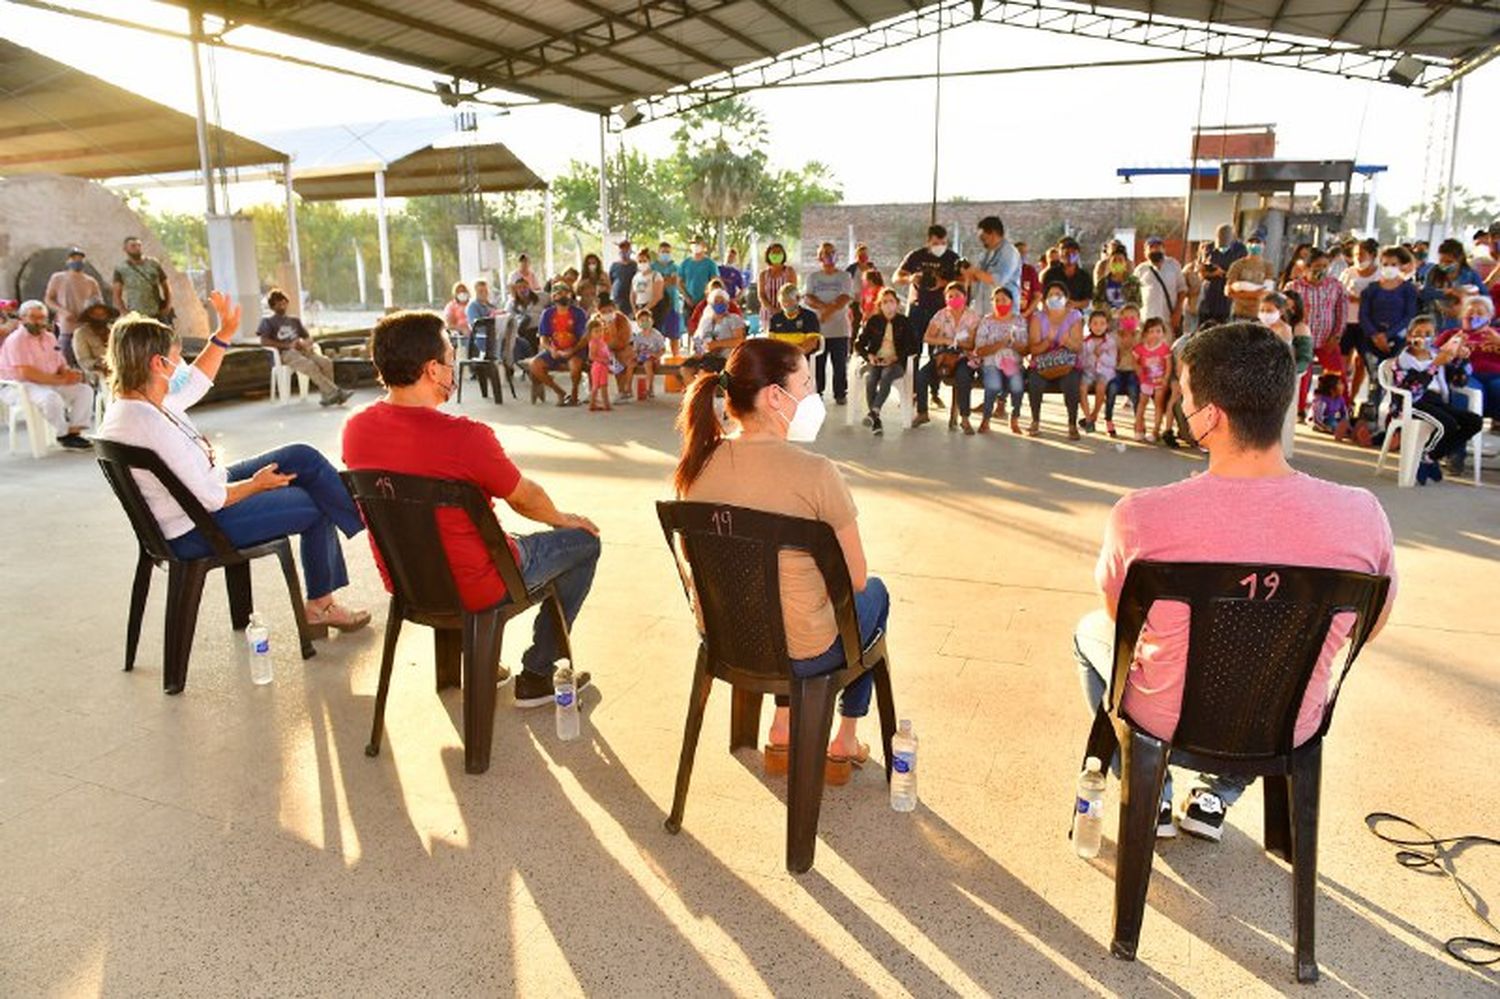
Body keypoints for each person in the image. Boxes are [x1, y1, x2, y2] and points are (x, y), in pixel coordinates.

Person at [1073, 322, 1396, 840]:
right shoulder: (1363, 516)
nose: (1179, 406)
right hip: (1288, 722)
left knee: (1087, 632)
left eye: (1183, 395)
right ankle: (1218, 794)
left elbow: (1121, 620)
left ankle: (1150, 787)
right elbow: (1369, 627)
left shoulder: (1141, 516)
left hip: (1167, 720)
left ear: (1211, 416)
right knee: (1269, 670)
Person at [343, 310, 600, 707]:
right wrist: (563, 520)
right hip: (478, 583)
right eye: (449, 359)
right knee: (583, 543)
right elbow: (523, 496)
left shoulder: (356, 429)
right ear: (432, 370)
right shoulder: (466, 438)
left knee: (470, 537)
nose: (452, 367)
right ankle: (538, 672)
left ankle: (472, 661)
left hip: (408, 581)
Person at [673, 338, 889, 783]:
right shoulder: (815, 473)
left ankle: (783, 726)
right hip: (803, 651)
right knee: (875, 596)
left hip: (724, 637)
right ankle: (845, 738)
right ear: (776, 396)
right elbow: (857, 578)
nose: (813, 396)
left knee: (788, 599)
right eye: (807, 383)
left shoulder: (697, 463)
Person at [100, 293, 369, 633]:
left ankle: (362, 515)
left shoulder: (135, 402)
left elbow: (195, 382)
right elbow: (212, 499)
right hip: (198, 525)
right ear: (157, 364)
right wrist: (258, 484)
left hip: (194, 500)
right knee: (315, 503)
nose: (181, 361)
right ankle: (322, 603)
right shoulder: (151, 426)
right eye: (175, 355)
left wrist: (224, 332)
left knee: (301, 456)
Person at [1395, 316, 1482, 480]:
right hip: (1414, 402)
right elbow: (1412, 389)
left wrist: (1462, 359)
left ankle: (1430, 457)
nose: (1423, 338)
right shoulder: (1404, 359)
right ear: (1409, 337)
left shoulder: (1436, 353)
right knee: (1447, 424)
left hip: (1437, 400)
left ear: (1435, 337)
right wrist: (1434, 365)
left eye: (1428, 333)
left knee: (1473, 421)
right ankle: (1426, 458)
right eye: (1418, 333)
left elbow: (1459, 379)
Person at [0, 300, 94, 449]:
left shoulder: (49, 337)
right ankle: (63, 434)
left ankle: (74, 433)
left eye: (42, 317)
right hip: (20, 386)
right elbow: (25, 372)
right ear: (22, 318)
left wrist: (68, 373)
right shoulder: (16, 340)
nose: (39, 321)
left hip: (49, 382)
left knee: (84, 391)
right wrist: (61, 380)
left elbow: (60, 362)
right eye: (33, 317)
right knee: (51, 398)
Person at [896, 225, 964, 405]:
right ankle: (911, 393)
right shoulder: (915, 256)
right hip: (917, 309)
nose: (940, 246)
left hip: (940, 311)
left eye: (943, 242)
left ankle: (934, 392)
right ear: (928, 241)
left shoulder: (952, 258)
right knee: (913, 352)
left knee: (938, 353)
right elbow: (897, 277)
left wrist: (943, 282)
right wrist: (911, 278)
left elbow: (963, 281)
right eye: (935, 243)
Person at [256, 289, 351, 407]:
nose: (282, 305)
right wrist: (288, 345)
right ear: (273, 306)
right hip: (286, 354)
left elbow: (308, 337)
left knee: (326, 362)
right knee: (310, 365)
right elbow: (264, 342)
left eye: (284, 302)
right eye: (278, 303)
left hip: (302, 351)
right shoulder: (268, 322)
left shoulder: (294, 320)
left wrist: (305, 343)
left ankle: (327, 397)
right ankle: (335, 392)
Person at [912, 283, 980, 431]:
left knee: (963, 377)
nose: (954, 299)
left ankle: (965, 418)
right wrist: (945, 341)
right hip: (943, 356)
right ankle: (922, 412)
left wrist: (959, 343)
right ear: (945, 299)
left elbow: (973, 343)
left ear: (965, 297)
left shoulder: (972, 317)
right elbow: (927, 337)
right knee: (922, 375)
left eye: (957, 296)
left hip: (963, 357)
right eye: (950, 296)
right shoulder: (941, 315)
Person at [1290, 248, 1348, 416]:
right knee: (1301, 375)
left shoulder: (1336, 286)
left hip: (1327, 339)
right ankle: (1298, 409)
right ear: (1307, 267)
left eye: (1325, 265)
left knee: (1338, 374)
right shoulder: (1294, 286)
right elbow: (1288, 313)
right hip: (1302, 340)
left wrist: (1336, 335)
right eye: (1317, 265)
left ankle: (1343, 409)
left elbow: (1341, 312)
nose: (1321, 269)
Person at [854, 288, 919, 436]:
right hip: (877, 360)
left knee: (887, 375)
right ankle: (876, 421)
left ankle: (874, 412)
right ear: (880, 305)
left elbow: (913, 346)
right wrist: (869, 356)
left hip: (896, 362)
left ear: (897, 304)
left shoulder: (904, 322)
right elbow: (859, 344)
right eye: (884, 302)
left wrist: (895, 358)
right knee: (870, 379)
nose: (888, 305)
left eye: (891, 301)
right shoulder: (874, 321)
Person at [1024, 282, 1084, 438]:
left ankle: (1072, 424)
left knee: (1071, 383)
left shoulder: (1074, 316)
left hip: (1068, 363)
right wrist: (1048, 341)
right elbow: (1034, 349)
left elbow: (1078, 347)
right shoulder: (1038, 317)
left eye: (1058, 295)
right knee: (1035, 382)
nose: (1054, 298)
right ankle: (1035, 420)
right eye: (1050, 295)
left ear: (1066, 298)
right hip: (1043, 363)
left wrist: (1067, 342)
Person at [804, 241, 854, 404]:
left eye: (831, 252)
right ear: (819, 257)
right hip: (819, 330)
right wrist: (824, 308)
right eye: (825, 253)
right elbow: (809, 297)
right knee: (818, 364)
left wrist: (828, 311)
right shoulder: (813, 277)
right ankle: (817, 393)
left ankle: (840, 393)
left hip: (840, 329)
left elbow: (844, 297)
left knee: (840, 364)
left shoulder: (845, 276)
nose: (828, 256)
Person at [1437, 295, 1500, 420]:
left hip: (1496, 375)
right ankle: (1466, 425)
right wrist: (1450, 348)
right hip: (1466, 375)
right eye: (1470, 312)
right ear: (1462, 316)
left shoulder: (1497, 333)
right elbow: (1431, 357)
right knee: (1470, 391)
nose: (1474, 316)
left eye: (1480, 313)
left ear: (1489, 317)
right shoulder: (1451, 334)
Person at [529, 283, 588, 405]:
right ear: (553, 297)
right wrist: (551, 350)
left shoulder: (579, 313)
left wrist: (572, 350)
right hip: (555, 349)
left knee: (575, 366)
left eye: (567, 293)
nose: (564, 296)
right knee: (534, 365)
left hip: (575, 350)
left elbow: (584, 338)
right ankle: (560, 392)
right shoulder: (547, 313)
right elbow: (543, 339)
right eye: (560, 294)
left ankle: (574, 395)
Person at [1338, 237, 1381, 400]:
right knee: (1341, 362)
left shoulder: (1379, 275)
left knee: (1361, 363)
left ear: (1372, 255)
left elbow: (1380, 298)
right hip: (1347, 321)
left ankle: (1352, 398)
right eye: (1356, 254)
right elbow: (1338, 292)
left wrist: (1361, 300)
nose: (1359, 258)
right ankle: (1340, 395)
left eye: (1362, 254)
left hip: (1367, 324)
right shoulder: (1348, 273)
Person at [44, 247, 102, 365]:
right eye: (74, 258)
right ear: (68, 261)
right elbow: (49, 299)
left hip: (86, 329)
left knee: (87, 364)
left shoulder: (91, 281)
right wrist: (63, 312)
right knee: (65, 362)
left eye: (80, 258)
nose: (77, 261)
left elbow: (98, 303)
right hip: (66, 328)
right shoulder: (58, 278)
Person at [1419, 238, 1485, 333]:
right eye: (1441, 261)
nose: (1444, 265)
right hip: (1436, 322)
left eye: (1449, 261)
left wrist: (1465, 301)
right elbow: (1426, 294)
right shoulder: (1433, 272)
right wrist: (1448, 293)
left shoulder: (1471, 275)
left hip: (1462, 325)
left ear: (1460, 258)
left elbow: (1484, 297)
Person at [688, 287, 749, 375]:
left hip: (724, 358)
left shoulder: (734, 319)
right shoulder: (706, 321)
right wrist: (698, 352)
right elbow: (697, 338)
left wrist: (717, 344)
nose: (719, 304)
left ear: (727, 304)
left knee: (704, 371)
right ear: (711, 304)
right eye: (716, 302)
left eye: (722, 302)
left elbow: (739, 341)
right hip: (706, 356)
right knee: (686, 368)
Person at [964, 216, 1022, 309]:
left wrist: (974, 271)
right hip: (984, 309)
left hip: (1005, 311)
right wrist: (968, 272)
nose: (983, 243)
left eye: (984, 239)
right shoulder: (987, 253)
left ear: (993, 234)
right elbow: (980, 277)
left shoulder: (1009, 252)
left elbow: (997, 280)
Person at [112, 236, 172, 322]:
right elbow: (116, 294)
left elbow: (166, 286)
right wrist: (124, 312)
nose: (137, 248)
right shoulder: (121, 269)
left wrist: (167, 306)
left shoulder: (154, 264)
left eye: (139, 245)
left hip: (157, 312)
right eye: (133, 246)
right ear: (125, 249)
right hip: (136, 315)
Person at [1135, 236, 1186, 335]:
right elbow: (1132, 295)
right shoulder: (1140, 270)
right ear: (1145, 252)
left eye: (1158, 247)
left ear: (1164, 249)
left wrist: (1178, 311)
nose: (1155, 250)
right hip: (1147, 322)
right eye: (1151, 247)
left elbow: (1182, 289)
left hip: (1168, 320)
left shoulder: (1174, 265)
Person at [1105, 304, 1142, 439]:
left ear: (1138, 319)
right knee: (1112, 389)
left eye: (1132, 317)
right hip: (1117, 370)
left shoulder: (1140, 336)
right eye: (1125, 317)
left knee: (1134, 390)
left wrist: (1133, 347)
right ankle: (1108, 420)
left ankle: (1138, 423)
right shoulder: (1115, 336)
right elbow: (1110, 356)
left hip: (1133, 371)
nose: (1129, 320)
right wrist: (1121, 349)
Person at [1197, 224, 1245, 327]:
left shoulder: (1240, 249)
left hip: (1227, 296)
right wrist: (1213, 273)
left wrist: (1224, 273)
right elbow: (1201, 271)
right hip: (1209, 294)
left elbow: (1241, 273)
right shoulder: (1208, 248)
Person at [1133, 317, 1172, 442]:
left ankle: (1155, 431)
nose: (1155, 334)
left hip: (1160, 381)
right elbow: (1134, 360)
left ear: (1163, 333)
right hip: (1145, 381)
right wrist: (1138, 368)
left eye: (1158, 331)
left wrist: (1166, 378)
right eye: (1151, 331)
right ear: (1145, 334)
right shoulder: (1141, 348)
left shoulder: (1164, 349)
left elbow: (1169, 365)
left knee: (1158, 405)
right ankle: (1139, 428)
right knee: (1141, 404)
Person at [1078, 310, 1118, 434]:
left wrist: (1101, 356)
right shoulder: (1085, 342)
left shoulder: (1110, 341)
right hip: (1089, 371)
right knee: (1082, 387)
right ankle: (1088, 418)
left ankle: (1094, 415)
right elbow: (1081, 361)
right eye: (1095, 323)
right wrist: (1090, 354)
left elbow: (1113, 362)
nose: (1098, 327)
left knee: (1101, 387)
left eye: (1102, 323)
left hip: (1105, 372)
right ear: (1089, 325)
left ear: (1107, 325)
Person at [1223, 233, 1276, 321]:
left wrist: (1241, 289)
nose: (1254, 245)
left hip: (1258, 315)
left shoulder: (1268, 266)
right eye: (1251, 242)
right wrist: (1256, 292)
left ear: (1264, 245)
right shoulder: (1237, 265)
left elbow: (1266, 293)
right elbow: (1228, 291)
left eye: (1258, 242)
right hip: (1239, 313)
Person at [593, 296, 636, 401]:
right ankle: (593, 392)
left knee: (619, 359)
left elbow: (622, 341)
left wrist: (612, 328)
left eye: (610, 310)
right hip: (604, 348)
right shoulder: (595, 320)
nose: (607, 313)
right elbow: (592, 337)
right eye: (604, 311)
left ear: (614, 309)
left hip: (623, 347)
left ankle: (624, 391)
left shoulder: (622, 319)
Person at [1039, 237, 1095, 313]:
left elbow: (1086, 301)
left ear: (1078, 255)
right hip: (1053, 314)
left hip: (1075, 315)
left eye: (1073, 254)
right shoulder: (1050, 274)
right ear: (1061, 255)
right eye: (1067, 254)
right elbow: (1042, 297)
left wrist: (1074, 304)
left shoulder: (1084, 276)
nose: (1070, 256)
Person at [766, 284, 822, 357]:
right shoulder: (775, 318)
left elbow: (811, 343)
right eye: (783, 301)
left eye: (789, 301)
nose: (786, 304)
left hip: (800, 357)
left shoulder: (809, 316)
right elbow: (771, 343)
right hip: (780, 357)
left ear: (798, 299)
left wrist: (793, 355)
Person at [631, 247, 669, 354]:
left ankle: (655, 356)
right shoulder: (636, 277)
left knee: (653, 335)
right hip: (639, 308)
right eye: (640, 261)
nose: (642, 263)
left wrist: (645, 310)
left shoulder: (656, 276)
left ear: (649, 261)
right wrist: (635, 310)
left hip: (653, 308)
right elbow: (632, 294)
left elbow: (658, 296)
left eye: (644, 261)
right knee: (641, 335)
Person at [72, 300, 117, 385]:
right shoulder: (81, 334)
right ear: (89, 316)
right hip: (95, 374)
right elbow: (83, 360)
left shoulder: (114, 331)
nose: (99, 318)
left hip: (118, 369)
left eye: (102, 314)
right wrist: (99, 364)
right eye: (95, 315)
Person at [757, 243, 797, 333]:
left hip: (787, 312)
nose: (776, 255)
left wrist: (782, 310)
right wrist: (772, 309)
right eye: (773, 253)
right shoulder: (763, 274)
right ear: (768, 255)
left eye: (779, 252)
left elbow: (793, 291)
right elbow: (761, 294)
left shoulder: (789, 271)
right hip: (767, 314)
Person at [631, 308, 668, 400]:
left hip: (653, 358)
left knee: (648, 364)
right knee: (630, 364)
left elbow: (663, 349)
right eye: (642, 321)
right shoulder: (638, 336)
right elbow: (635, 350)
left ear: (652, 321)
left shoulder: (657, 335)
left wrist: (656, 355)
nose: (644, 322)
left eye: (647, 320)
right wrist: (635, 356)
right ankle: (627, 389)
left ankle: (649, 388)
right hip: (641, 357)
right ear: (638, 323)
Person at [678, 239, 719, 320]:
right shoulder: (685, 263)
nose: (695, 246)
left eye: (698, 244)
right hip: (689, 302)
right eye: (693, 244)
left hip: (706, 302)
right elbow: (679, 282)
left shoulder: (710, 264)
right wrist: (687, 298)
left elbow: (715, 282)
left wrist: (707, 297)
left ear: (704, 246)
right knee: (690, 326)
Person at [1093, 246, 1142, 314]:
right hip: (1108, 320)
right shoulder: (1102, 283)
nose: (1117, 263)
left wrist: (1125, 310)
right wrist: (1108, 309)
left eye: (1120, 260)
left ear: (1125, 263)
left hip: (1127, 320)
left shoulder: (1133, 282)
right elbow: (1095, 303)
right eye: (1114, 260)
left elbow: (1139, 303)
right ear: (1109, 263)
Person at [653, 240, 684, 343]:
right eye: (663, 252)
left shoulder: (676, 267)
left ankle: (676, 358)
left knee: (674, 337)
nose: (665, 254)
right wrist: (667, 280)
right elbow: (653, 283)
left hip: (673, 305)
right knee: (657, 336)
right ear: (658, 252)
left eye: (668, 252)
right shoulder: (653, 267)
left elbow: (676, 281)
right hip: (657, 306)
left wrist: (662, 280)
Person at [1309, 373, 1352, 440]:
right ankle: (1340, 431)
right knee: (1332, 422)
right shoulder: (1322, 401)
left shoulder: (1340, 399)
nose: (1343, 386)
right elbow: (1317, 417)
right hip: (1320, 421)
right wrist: (1325, 427)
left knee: (1340, 421)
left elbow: (1344, 413)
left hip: (1331, 419)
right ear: (1331, 389)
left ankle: (1347, 431)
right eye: (1340, 384)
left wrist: (1346, 422)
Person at [586, 318, 614, 413]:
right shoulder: (593, 343)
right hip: (598, 366)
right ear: (590, 333)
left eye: (601, 330)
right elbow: (591, 356)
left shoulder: (602, 341)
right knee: (596, 386)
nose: (599, 333)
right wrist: (603, 360)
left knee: (604, 385)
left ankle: (606, 404)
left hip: (604, 366)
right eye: (596, 331)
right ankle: (592, 404)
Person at [1015, 240, 1042, 317]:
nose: (1022, 255)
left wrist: (1027, 313)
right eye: (1020, 252)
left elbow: (1038, 295)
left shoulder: (1030, 270)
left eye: (1025, 253)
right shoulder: (1006, 271)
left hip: (1028, 316)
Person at [609, 239, 636, 312]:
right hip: (617, 301)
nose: (624, 252)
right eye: (622, 250)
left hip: (631, 301)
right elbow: (611, 282)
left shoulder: (635, 265)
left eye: (626, 250)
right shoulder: (614, 266)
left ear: (630, 251)